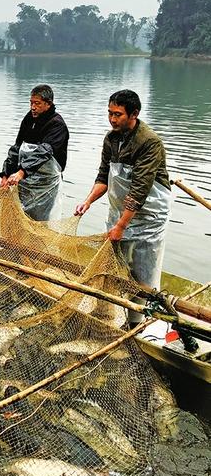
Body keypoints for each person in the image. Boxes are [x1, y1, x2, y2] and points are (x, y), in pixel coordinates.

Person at [75, 89, 171, 319]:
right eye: (109, 113)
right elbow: (103, 176)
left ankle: (138, 321)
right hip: (120, 213)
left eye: (118, 114)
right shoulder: (111, 139)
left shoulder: (149, 142)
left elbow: (139, 190)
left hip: (148, 218)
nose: (112, 119)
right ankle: (106, 311)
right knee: (112, 264)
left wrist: (122, 225)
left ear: (134, 114)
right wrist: (87, 201)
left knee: (142, 273)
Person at [0, 84, 69, 220]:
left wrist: (21, 172)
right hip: (24, 180)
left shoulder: (57, 124)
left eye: (37, 103)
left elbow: (44, 152)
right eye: (31, 103)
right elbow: (17, 147)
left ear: (48, 104)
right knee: (16, 217)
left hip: (45, 185)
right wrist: (5, 174)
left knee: (38, 221)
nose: (33, 107)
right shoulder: (29, 118)